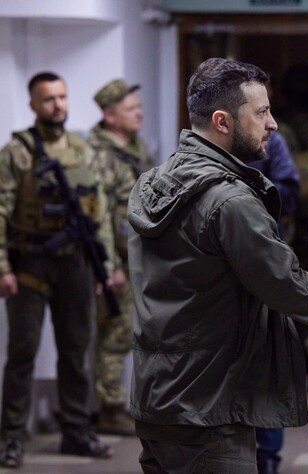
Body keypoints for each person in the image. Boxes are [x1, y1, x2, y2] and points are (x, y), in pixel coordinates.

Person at [127, 58, 308, 473]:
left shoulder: (155, 182)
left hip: (160, 397)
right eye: (261, 113)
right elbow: (287, 286)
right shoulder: (229, 202)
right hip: (208, 409)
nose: (272, 124)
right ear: (222, 121)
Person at [0, 72, 115, 468]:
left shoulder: (83, 150)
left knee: (77, 351)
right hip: (30, 261)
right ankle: (11, 438)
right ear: (33, 105)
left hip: (76, 263)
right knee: (22, 353)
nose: (57, 105)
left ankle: (77, 433)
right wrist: (2, 267)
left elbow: (99, 213)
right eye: (48, 99)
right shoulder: (16, 152)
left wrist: (105, 266)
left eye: (62, 97)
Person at [87, 79, 153, 436]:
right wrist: (109, 267)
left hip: (139, 258)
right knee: (115, 334)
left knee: (131, 332)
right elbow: (97, 215)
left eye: (139, 107)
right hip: (117, 262)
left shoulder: (135, 148)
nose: (139, 113)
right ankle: (109, 409)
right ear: (110, 116)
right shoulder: (99, 155)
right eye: (131, 109)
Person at [249, 131, 300, 474]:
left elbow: (291, 193)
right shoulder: (199, 150)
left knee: (268, 361)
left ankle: (268, 455)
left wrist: (246, 192)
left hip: (265, 261)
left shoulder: (272, 141)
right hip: (216, 271)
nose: (270, 121)